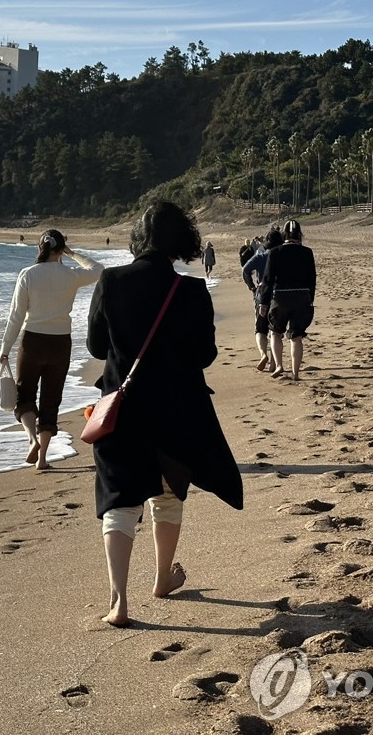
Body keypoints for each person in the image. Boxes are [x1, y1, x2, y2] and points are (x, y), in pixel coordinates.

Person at [86, 202, 243, 627]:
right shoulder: (191, 291)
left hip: (123, 405)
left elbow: (97, 348)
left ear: (137, 239)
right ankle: (161, 578)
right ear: (181, 241)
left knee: (120, 497)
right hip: (178, 408)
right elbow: (205, 355)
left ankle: (119, 602)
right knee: (168, 493)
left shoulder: (111, 280)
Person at [0, 230, 102, 470]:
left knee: (24, 396)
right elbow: (99, 270)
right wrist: (73, 254)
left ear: (40, 248)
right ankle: (43, 459)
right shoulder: (71, 275)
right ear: (61, 249)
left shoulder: (28, 274)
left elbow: (16, 317)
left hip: (32, 342)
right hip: (60, 344)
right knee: (51, 400)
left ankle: (31, 439)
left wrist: (5, 348)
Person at [259, 220, 316, 381]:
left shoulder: (275, 252)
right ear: (299, 235)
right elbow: (312, 278)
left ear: (284, 235)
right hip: (302, 297)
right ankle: (296, 373)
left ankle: (278, 365)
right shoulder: (307, 252)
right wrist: (310, 299)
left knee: (276, 332)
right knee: (296, 337)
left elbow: (268, 279)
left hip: (280, 298)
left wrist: (264, 302)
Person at [242, 228, 283, 371]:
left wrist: (251, 286)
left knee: (260, 329)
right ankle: (273, 363)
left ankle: (263, 354)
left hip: (261, 294)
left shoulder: (261, 256)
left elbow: (245, 270)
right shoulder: (282, 255)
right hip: (279, 295)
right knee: (275, 331)